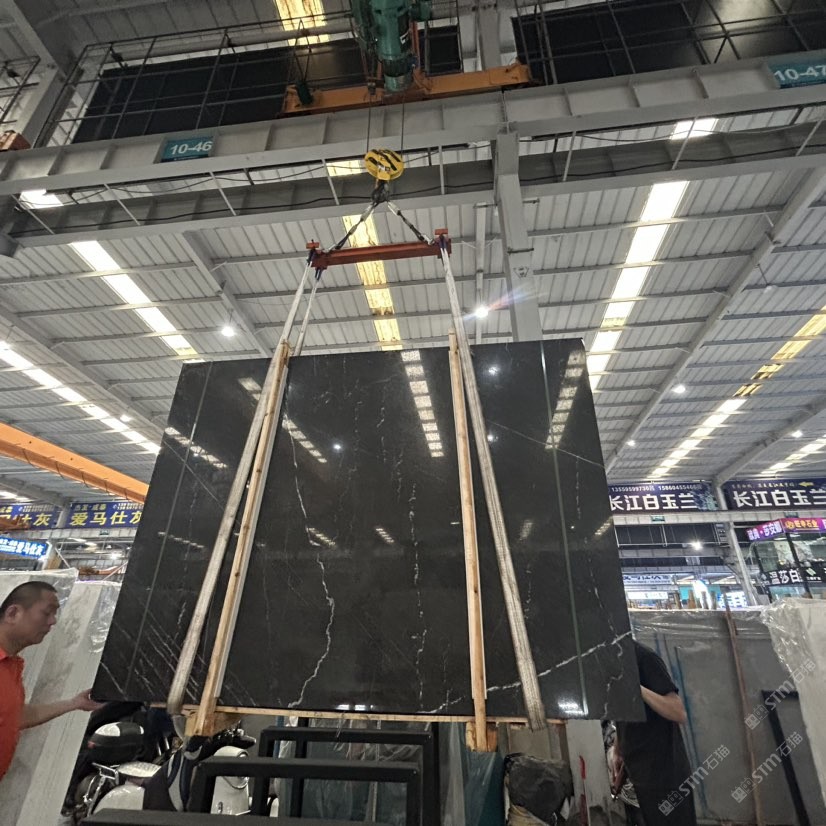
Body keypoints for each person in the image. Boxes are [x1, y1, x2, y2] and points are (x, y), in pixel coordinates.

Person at [0, 581, 102, 782]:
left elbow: (17, 715)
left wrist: (74, 703)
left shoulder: (11, 665)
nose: (53, 621)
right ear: (13, 613)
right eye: (47, 613)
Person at [613, 639, 696, 826]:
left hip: (665, 775)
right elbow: (625, 713)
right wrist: (619, 750)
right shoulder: (611, 662)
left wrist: (638, 688)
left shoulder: (644, 658)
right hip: (640, 773)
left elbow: (678, 712)